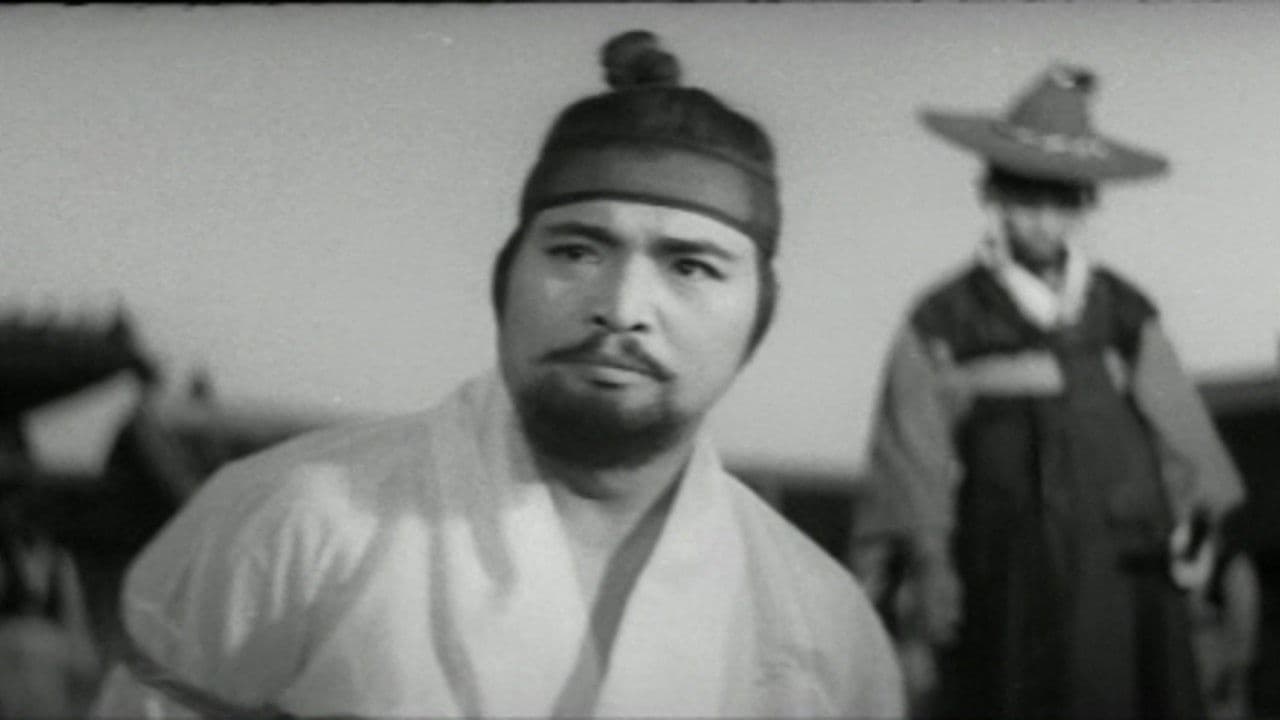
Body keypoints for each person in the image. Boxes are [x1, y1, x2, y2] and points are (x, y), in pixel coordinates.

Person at [91, 31, 904, 719]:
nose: (621, 308)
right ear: (504, 280)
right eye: (576, 251)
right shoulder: (292, 522)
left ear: (759, 317)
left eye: (690, 266)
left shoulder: (821, 626)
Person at [848, 64, 1251, 719]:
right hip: (1005, 560)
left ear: (1085, 205)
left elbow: (1181, 430)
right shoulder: (945, 319)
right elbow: (911, 450)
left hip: (1127, 557)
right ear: (992, 195)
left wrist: (1196, 528)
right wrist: (931, 559)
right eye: (1024, 202)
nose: (1042, 222)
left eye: (1061, 204)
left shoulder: (1122, 310)